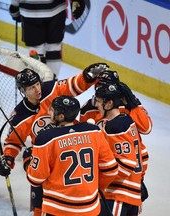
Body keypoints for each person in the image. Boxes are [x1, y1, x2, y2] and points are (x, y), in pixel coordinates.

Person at [0, 62, 109, 215]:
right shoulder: (19, 117)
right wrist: (8, 158)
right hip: (45, 161)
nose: (37, 90)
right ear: (22, 91)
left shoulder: (50, 90)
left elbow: (73, 85)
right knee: (40, 207)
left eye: (37, 84)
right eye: (31, 88)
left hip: (70, 148)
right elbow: (12, 142)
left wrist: (86, 77)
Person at [22, 95, 118, 216]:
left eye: (53, 110)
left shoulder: (46, 138)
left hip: (58, 210)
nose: (49, 112)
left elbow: (35, 179)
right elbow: (111, 169)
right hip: (90, 209)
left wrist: (28, 162)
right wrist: (94, 190)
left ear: (61, 116)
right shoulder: (94, 131)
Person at [80, 70, 151, 202]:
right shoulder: (88, 108)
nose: (102, 90)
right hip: (104, 174)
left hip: (127, 174)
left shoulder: (128, 104)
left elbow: (146, 129)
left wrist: (133, 103)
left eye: (107, 86)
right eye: (100, 86)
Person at [94, 83, 144, 216]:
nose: (96, 105)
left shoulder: (114, 127)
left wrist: (100, 182)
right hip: (131, 194)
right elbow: (143, 155)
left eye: (99, 101)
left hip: (118, 196)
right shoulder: (128, 121)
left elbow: (126, 164)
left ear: (109, 104)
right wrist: (138, 187)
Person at [9, 0, 86, 77]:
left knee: (35, 50)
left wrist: (14, 7)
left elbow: (15, 5)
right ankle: (52, 82)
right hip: (56, 10)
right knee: (53, 49)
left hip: (30, 12)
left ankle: (38, 80)